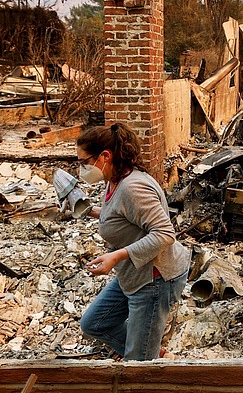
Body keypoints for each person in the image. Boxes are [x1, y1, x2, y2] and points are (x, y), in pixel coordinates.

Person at [76, 122, 191, 360]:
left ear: (105, 156)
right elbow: (120, 215)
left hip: (154, 279)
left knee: (137, 367)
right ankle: (147, 348)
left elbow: (164, 234)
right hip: (133, 274)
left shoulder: (133, 187)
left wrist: (116, 256)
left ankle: (144, 357)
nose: (82, 168)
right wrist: (86, 209)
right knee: (94, 324)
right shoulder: (113, 180)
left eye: (84, 162)